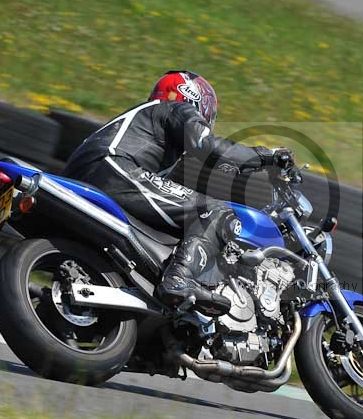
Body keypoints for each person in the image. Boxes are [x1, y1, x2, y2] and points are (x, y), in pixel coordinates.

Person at [62, 70, 292, 316]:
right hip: (112, 168)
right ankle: (179, 279)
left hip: (93, 172)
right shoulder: (174, 108)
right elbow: (205, 147)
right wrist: (266, 156)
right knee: (216, 212)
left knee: (178, 223)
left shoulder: (150, 124)